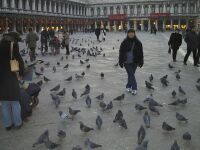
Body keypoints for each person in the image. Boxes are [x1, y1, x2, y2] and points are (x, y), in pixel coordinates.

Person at [0, 31, 24, 130]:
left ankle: (7, 125)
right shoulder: (12, 46)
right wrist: (21, 72)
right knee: (15, 102)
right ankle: (18, 123)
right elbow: (18, 60)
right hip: (11, 76)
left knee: (4, 103)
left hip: (1, 78)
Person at [119, 29, 144, 95]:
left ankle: (128, 86)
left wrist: (141, 61)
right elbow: (121, 52)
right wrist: (120, 61)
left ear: (134, 34)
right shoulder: (124, 42)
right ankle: (134, 88)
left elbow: (141, 53)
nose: (131, 34)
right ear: (127, 34)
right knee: (131, 74)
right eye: (129, 33)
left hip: (135, 61)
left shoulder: (138, 42)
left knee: (131, 74)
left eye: (132, 33)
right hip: (126, 61)